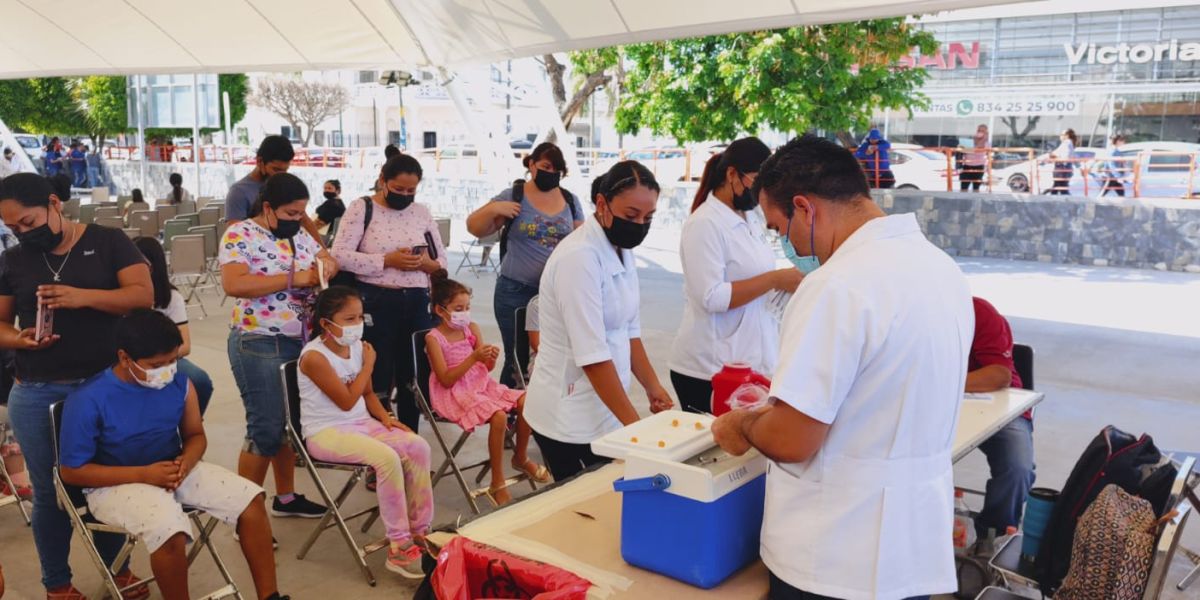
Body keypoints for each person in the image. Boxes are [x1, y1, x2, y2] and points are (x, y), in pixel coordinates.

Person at [711, 135, 972, 600]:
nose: (783, 244)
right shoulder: (940, 268)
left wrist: (744, 423)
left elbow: (793, 439)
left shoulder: (834, 286)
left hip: (830, 559)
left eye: (777, 228)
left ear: (804, 208)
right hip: (909, 551)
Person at [58, 310, 290, 600]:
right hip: (113, 483)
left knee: (251, 499)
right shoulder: (88, 399)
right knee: (169, 530)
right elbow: (72, 471)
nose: (167, 370)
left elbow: (195, 435)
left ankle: (270, 596)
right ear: (124, 358)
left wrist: (186, 462)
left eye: (173, 360)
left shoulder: (180, 383)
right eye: (156, 364)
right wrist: (145, 474)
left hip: (173, 469)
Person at [0, 172, 154, 599]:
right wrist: (21, 338)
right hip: (37, 388)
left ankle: (117, 568)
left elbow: (143, 295)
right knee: (50, 492)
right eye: (12, 229)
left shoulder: (108, 241)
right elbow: (1, 325)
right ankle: (58, 584)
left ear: (54, 203)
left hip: (105, 385)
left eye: (28, 223)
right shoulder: (13, 261)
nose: (21, 234)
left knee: (107, 482)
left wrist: (81, 296)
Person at [523, 161, 674, 482]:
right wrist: (636, 429)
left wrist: (652, 386)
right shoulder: (578, 259)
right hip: (567, 415)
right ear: (602, 204)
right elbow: (591, 356)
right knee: (582, 510)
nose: (639, 225)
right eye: (631, 215)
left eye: (648, 218)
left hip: (604, 407)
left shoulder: (620, 249)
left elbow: (628, 329)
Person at [220, 172, 337, 521]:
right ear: (267, 207)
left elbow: (324, 258)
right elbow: (234, 283)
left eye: (300, 213)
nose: (296, 220)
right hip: (258, 339)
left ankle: (285, 497)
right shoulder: (240, 234)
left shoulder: (300, 232)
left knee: (288, 426)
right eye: (289, 213)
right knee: (265, 428)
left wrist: (327, 265)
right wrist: (294, 279)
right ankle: (245, 513)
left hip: (299, 340)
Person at [297, 286, 432, 579]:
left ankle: (421, 532)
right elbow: (346, 401)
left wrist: (386, 418)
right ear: (326, 323)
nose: (357, 324)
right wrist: (369, 365)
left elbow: (368, 394)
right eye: (349, 318)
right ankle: (398, 545)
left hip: (362, 424)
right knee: (387, 459)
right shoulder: (314, 357)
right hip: (326, 432)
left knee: (418, 446)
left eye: (359, 317)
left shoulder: (357, 346)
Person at [669, 137, 801, 413]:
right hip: (708, 369)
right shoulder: (704, 224)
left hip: (748, 361)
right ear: (732, 175)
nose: (759, 194)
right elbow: (711, 297)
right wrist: (774, 279)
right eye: (755, 182)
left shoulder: (749, 218)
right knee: (717, 452)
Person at [331, 154, 447, 431]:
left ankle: (409, 441)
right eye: (398, 189)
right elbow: (340, 255)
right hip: (376, 299)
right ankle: (379, 445)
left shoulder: (421, 212)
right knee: (377, 374)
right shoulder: (362, 208)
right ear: (382, 180)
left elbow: (441, 260)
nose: (405, 195)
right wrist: (386, 260)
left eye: (411, 191)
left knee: (413, 376)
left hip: (417, 299)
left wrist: (428, 264)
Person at [465, 142, 584, 389]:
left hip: (554, 294)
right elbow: (475, 226)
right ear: (531, 164)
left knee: (549, 356)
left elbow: (581, 244)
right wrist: (495, 208)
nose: (551, 172)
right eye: (545, 166)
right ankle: (509, 412)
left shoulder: (570, 200)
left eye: (557, 169)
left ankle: (538, 409)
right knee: (516, 358)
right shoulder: (513, 195)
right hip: (514, 291)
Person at [425, 271, 549, 504]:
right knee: (499, 416)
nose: (464, 313)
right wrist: (473, 358)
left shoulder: (471, 328)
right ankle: (497, 481)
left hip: (480, 384)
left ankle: (520, 457)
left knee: (527, 402)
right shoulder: (434, 338)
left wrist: (489, 357)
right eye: (457, 308)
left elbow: (486, 368)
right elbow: (445, 379)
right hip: (454, 393)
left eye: (466, 307)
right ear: (440, 310)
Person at [965, 297, 1035, 542]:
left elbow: (999, 375)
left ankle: (990, 540)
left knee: (1017, 469)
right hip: (936, 402)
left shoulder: (978, 312)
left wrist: (944, 381)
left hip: (998, 404)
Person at [134, 236, 214, 415]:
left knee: (200, 381)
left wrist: (159, 361)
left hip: (165, 358)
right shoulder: (122, 294)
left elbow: (185, 345)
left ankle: (189, 422)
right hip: (129, 360)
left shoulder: (171, 297)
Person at [225, 136, 294, 223]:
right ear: (259, 161)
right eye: (276, 170)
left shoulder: (284, 186)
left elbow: (305, 221)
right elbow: (234, 233)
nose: (281, 175)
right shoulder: (239, 192)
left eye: (285, 170)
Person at [1046, 129, 1078, 196]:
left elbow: (1064, 157)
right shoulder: (1069, 143)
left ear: (1066, 136)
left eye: (1062, 135)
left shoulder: (1066, 143)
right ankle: (1052, 200)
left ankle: (1070, 203)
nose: (1060, 136)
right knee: (1059, 187)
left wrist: (1053, 157)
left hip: (1061, 169)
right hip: (1064, 169)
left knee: (1060, 188)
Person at [960, 124, 990, 192]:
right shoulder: (970, 140)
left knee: (976, 188)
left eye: (982, 131)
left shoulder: (987, 143)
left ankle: (975, 202)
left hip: (979, 167)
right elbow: (966, 152)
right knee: (963, 187)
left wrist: (984, 139)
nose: (980, 132)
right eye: (979, 130)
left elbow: (976, 150)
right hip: (967, 166)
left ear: (986, 132)